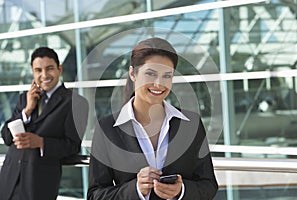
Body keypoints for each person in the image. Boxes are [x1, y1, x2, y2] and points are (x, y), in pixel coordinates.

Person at [87, 37, 218, 200]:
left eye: (167, 75)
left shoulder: (191, 124)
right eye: (151, 74)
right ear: (133, 73)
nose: (159, 84)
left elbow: (209, 185)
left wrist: (181, 191)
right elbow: (95, 195)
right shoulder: (107, 129)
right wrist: (135, 189)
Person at [0, 47, 89, 200]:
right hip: (8, 181)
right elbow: (7, 137)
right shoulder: (25, 98)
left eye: (49, 69)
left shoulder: (76, 103)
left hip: (38, 186)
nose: (44, 75)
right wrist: (27, 110)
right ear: (33, 72)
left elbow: (72, 145)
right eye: (38, 70)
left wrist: (41, 142)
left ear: (59, 69)